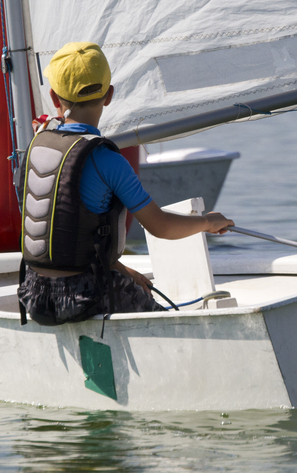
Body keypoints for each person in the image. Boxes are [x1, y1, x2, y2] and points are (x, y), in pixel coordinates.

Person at [17, 42, 233, 326]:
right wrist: (207, 222)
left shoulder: (35, 148)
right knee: (165, 321)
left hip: (34, 294)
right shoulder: (107, 160)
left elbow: (62, 233)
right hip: (82, 294)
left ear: (54, 97)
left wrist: (121, 269)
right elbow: (161, 226)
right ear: (109, 95)